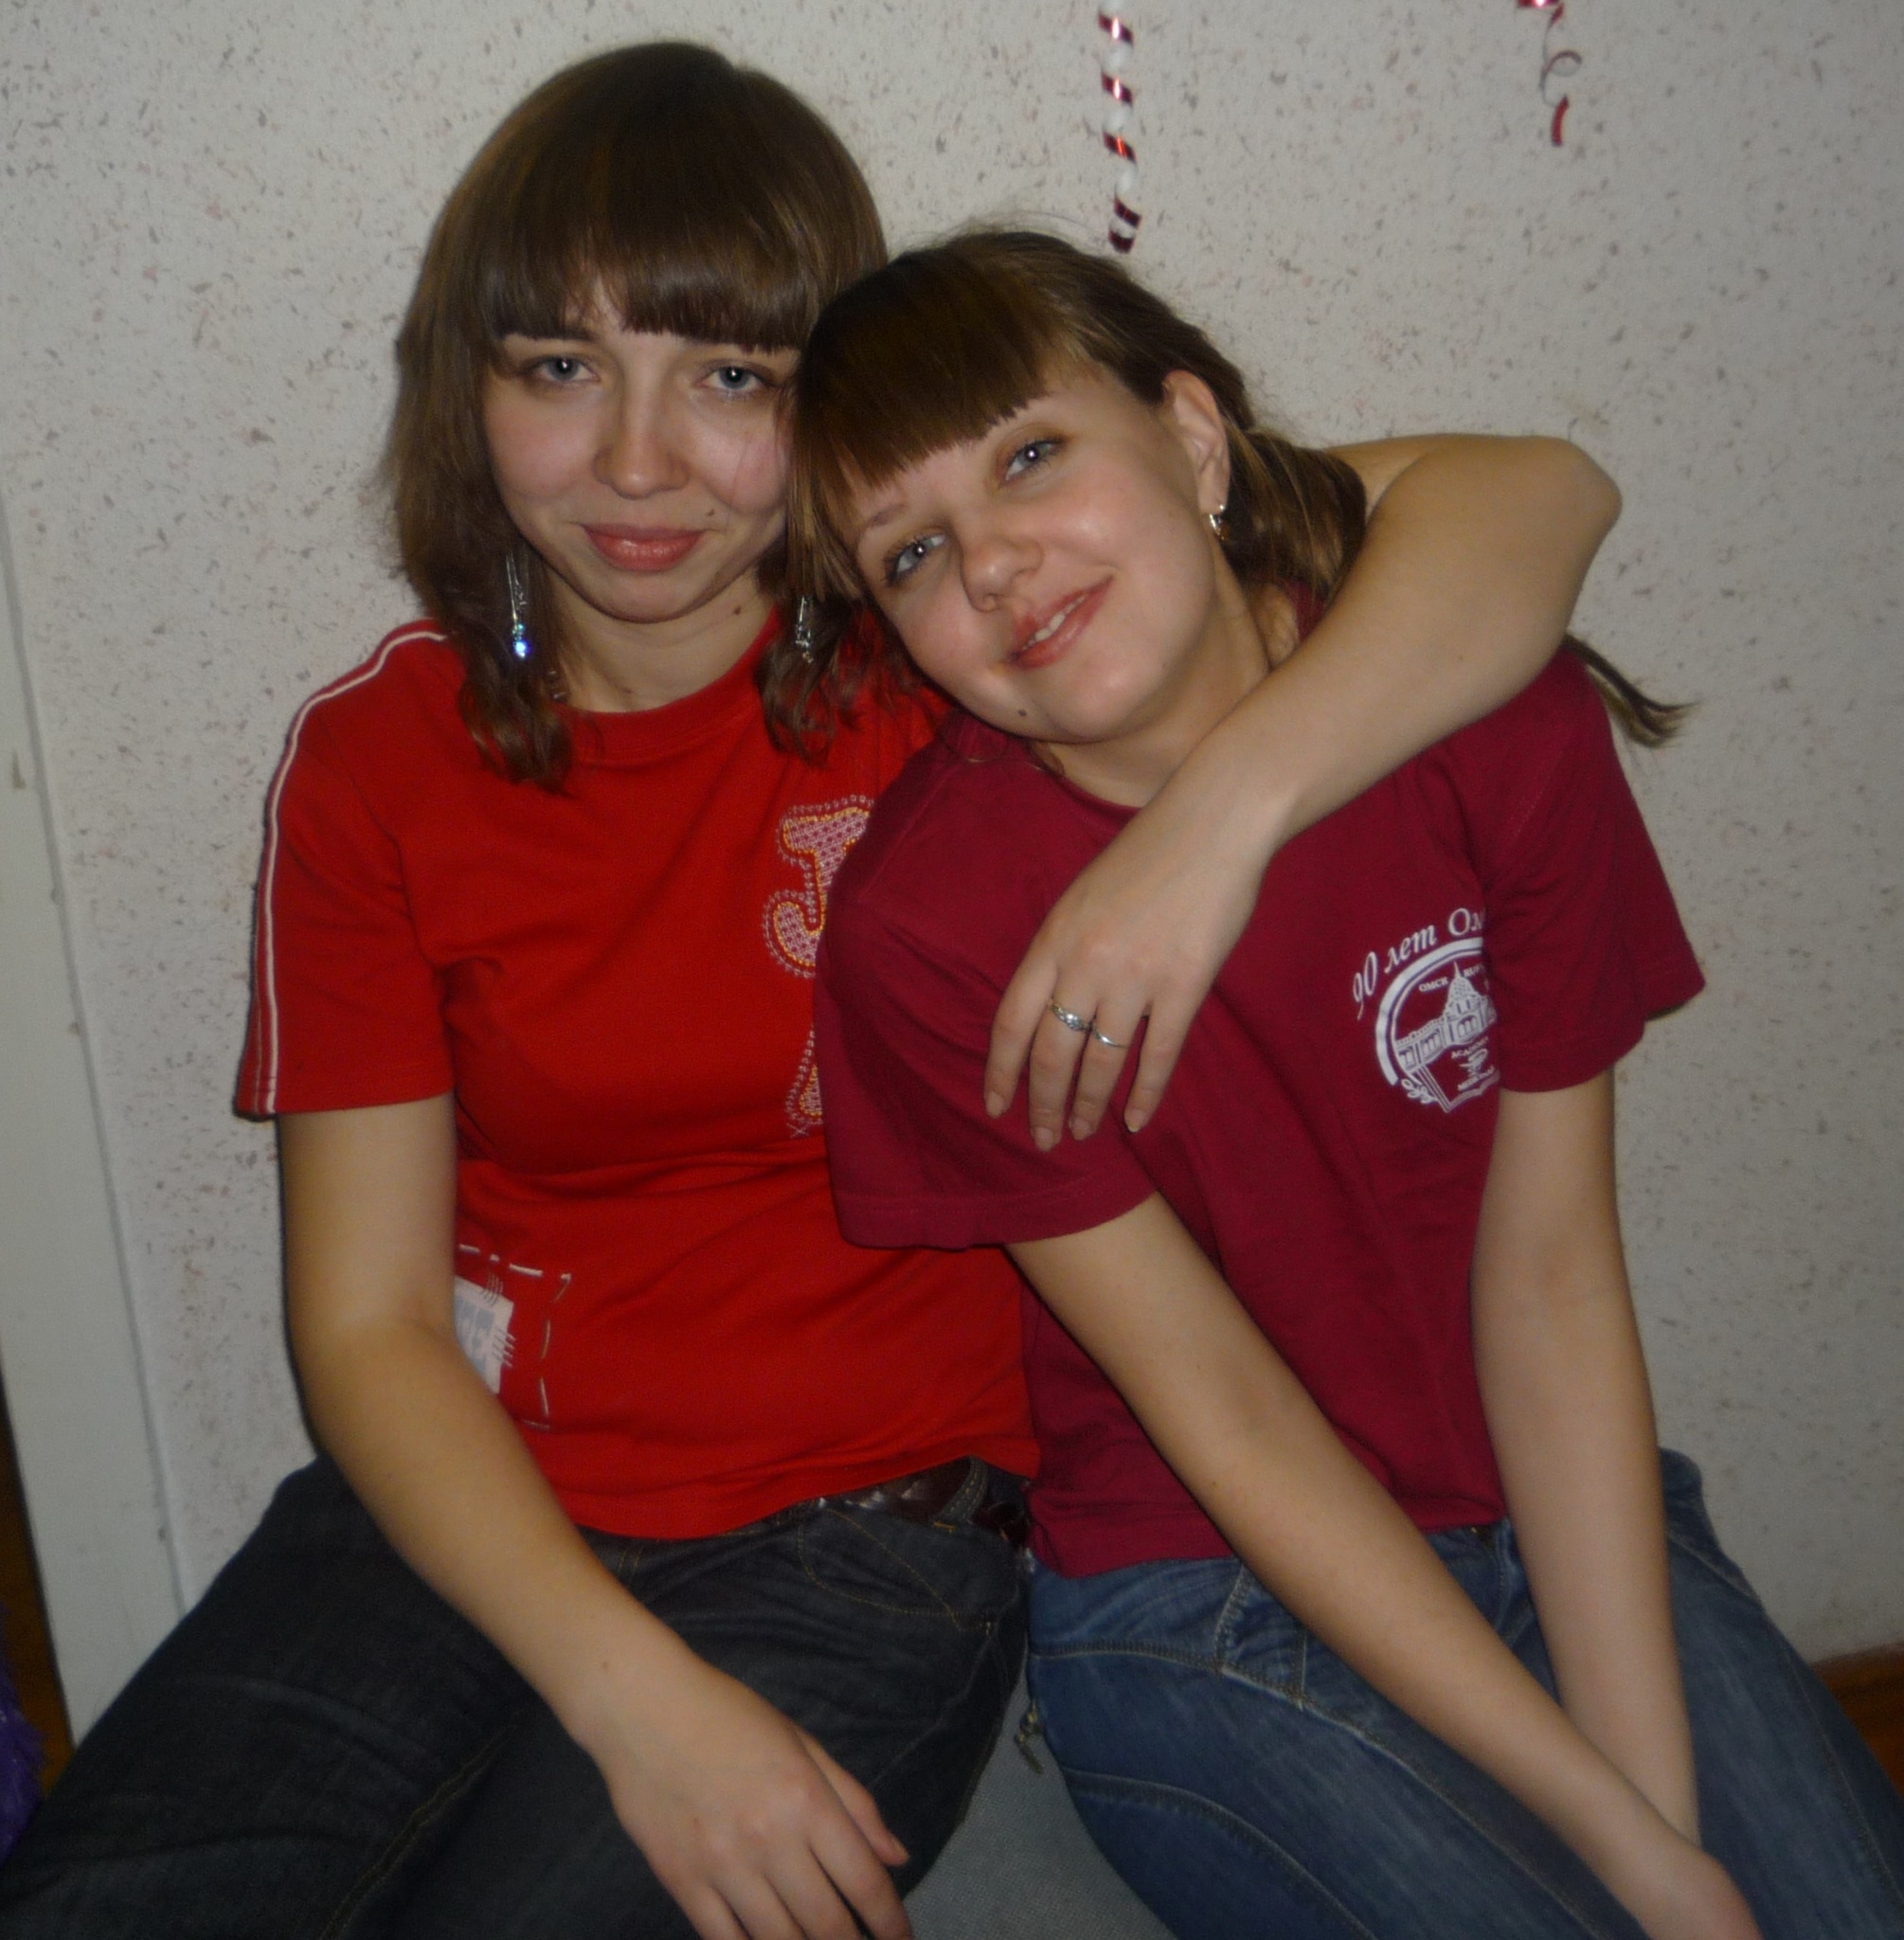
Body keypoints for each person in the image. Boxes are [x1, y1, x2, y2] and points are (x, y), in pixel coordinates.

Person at [0, 49, 1631, 1940]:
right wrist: (631, 1697)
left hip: (874, 1529)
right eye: (558, 366)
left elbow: (1533, 496)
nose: (635, 462)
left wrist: (1214, 826)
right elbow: (367, 1326)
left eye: (729, 379)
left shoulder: (964, 645)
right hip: (460, 1513)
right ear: (467, 388)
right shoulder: (381, 761)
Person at [793, 228, 1904, 1940]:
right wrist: (1617, 1853)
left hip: (1542, 1502)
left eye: (1030, 456)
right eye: (915, 550)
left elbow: (1550, 1276)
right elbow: (1220, 1409)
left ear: (1192, 436)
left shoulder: (1491, 710)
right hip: (1207, 1591)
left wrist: (1654, 1820)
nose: (996, 565)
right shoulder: (930, 930)